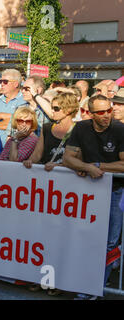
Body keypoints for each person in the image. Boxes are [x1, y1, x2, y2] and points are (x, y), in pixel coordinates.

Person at [63, 94, 124, 300]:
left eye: (109, 110)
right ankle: (84, 282)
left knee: (110, 241)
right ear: (90, 113)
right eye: (101, 112)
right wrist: (85, 166)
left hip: (115, 191)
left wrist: (96, 166)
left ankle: (95, 287)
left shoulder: (119, 129)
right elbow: (68, 157)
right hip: (88, 191)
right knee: (86, 238)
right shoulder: (81, 128)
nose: (107, 115)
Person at [23, 92, 79, 172]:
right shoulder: (47, 128)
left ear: (68, 110)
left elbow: (80, 159)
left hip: (67, 177)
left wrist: (58, 166)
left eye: (56, 108)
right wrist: (30, 161)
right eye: (51, 107)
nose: (52, 111)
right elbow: (37, 154)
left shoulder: (79, 129)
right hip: (46, 174)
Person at [0, 69, 27, 147]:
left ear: (16, 84)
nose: (2, 84)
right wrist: (6, 119)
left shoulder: (24, 101)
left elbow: (16, 125)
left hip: (13, 149)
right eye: (0, 81)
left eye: (5, 81)